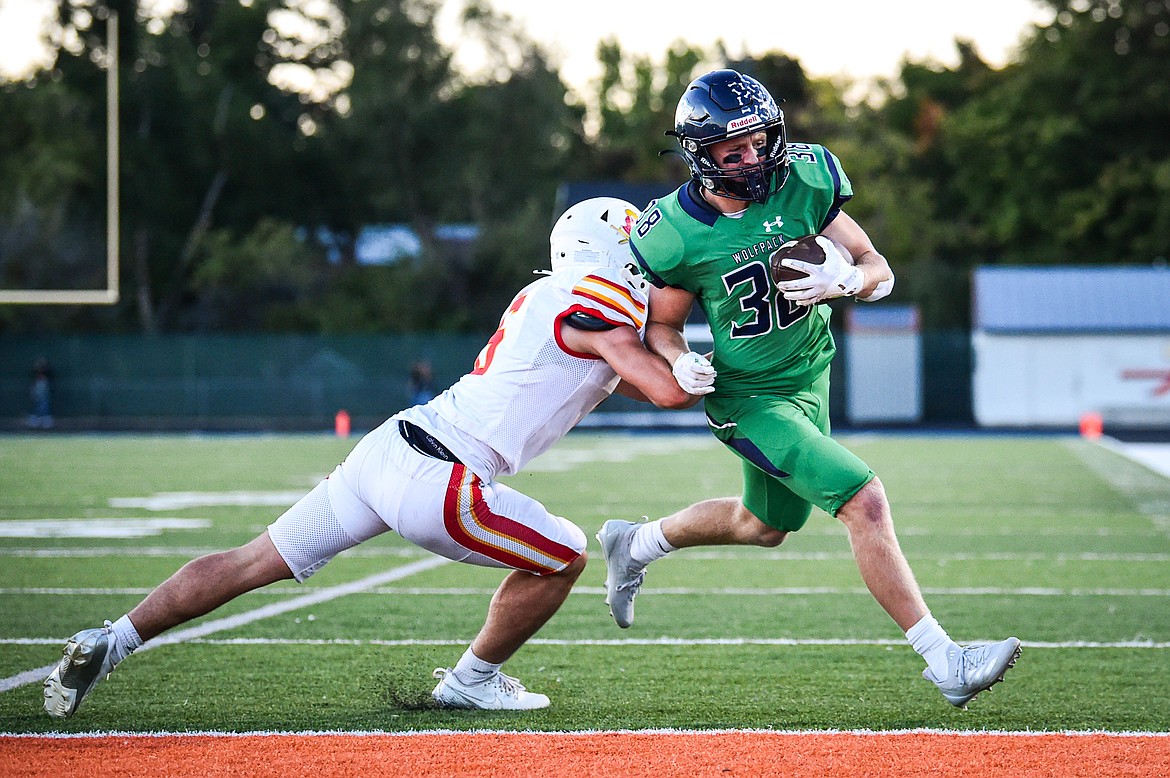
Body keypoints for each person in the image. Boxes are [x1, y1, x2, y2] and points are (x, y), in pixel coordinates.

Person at [42, 197, 708, 719]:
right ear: (613, 253)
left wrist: (675, 345)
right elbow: (662, 389)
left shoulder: (550, 298)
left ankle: (114, 638)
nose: (650, 264)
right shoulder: (598, 296)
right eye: (641, 251)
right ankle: (471, 681)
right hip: (443, 475)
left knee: (253, 559)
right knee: (566, 553)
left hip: (389, 449)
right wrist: (723, 361)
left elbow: (631, 363)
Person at [596, 69, 1020, 709]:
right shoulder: (677, 232)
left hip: (810, 377)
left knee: (764, 525)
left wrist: (845, 282)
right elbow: (662, 325)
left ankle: (635, 542)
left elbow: (879, 267)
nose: (753, 158)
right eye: (732, 150)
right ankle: (945, 660)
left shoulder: (806, 178)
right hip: (748, 400)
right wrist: (681, 362)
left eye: (761, 141)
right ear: (699, 153)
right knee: (864, 501)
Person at [26, 358, 54, 430]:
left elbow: (46, 377)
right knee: (38, 404)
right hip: (38, 387)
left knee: (44, 404)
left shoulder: (46, 374)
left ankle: (46, 421)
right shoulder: (35, 374)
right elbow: (34, 382)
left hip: (43, 387)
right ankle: (36, 421)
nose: (39, 367)